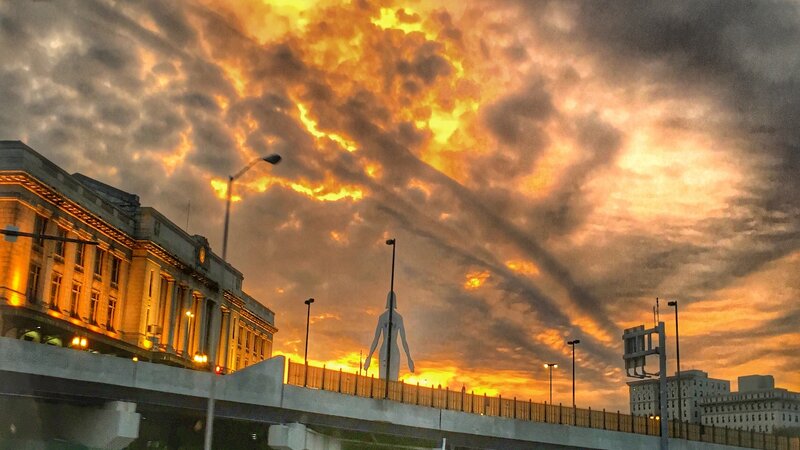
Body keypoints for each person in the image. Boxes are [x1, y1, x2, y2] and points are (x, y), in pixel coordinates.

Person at [364, 291, 414, 381]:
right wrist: (369, 357)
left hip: (394, 352)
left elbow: (404, 340)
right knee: (383, 380)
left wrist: (409, 358)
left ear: (395, 301)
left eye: (392, 299)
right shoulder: (382, 317)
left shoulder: (399, 318)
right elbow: (376, 339)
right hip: (384, 351)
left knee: (393, 381)